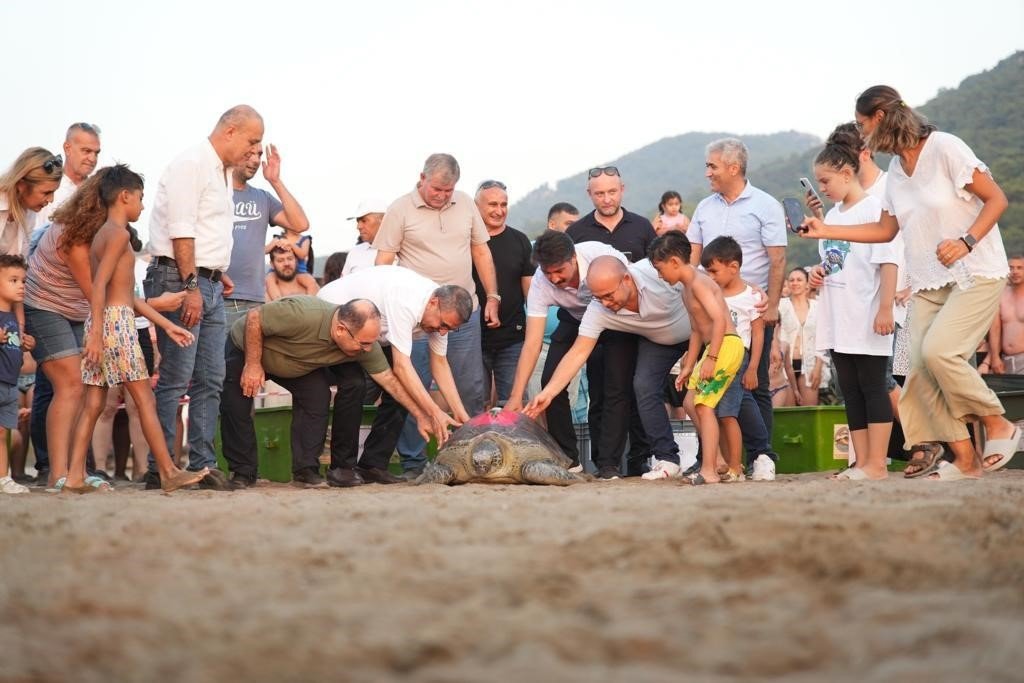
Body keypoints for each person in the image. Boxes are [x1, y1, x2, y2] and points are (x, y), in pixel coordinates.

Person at [801, 85, 1016, 480]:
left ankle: (997, 423)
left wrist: (966, 241)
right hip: (929, 282)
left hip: (974, 272)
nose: (861, 135)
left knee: (939, 353)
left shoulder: (945, 148)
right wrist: (825, 229)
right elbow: (885, 231)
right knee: (918, 373)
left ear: (881, 118)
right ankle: (965, 459)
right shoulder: (897, 172)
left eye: (863, 124)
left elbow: (997, 199)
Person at [64, 165, 206, 493]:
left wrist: (166, 324)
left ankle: (73, 477)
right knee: (144, 399)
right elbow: (99, 287)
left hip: (106, 321)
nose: (143, 205)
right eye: (141, 198)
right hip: (115, 325)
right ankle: (168, 471)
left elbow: (126, 295)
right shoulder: (118, 235)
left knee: (94, 405)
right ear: (124, 196)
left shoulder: (104, 234)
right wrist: (97, 335)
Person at [144, 104, 263, 490]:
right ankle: (159, 467)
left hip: (206, 281)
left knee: (212, 377)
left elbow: (206, 231)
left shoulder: (223, 172)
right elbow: (181, 231)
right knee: (176, 378)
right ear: (230, 131)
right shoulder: (191, 164)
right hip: (180, 280)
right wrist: (192, 285)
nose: (253, 150)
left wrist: (215, 270)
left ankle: (203, 464)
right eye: (251, 140)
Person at [220, 296, 439, 488]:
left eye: (370, 344)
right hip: (249, 349)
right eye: (363, 343)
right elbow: (255, 317)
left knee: (317, 396)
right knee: (236, 403)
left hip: (297, 364)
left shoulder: (365, 344)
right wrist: (252, 364)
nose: (367, 350)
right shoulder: (302, 314)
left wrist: (419, 415)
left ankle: (305, 470)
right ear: (341, 330)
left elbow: (390, 381)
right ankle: (243, 472)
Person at [372, 153, 497, 475]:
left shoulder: (466, 203)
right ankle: (414, 463)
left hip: (465, 312)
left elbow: (481, 251)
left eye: (448, 190)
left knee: (470, 386)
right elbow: (383, 262)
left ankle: (472, 458)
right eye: (437, 189)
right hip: (415, 315)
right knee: (413, 386)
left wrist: (493, 295)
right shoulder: (400, 209)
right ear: (422, 179)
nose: (442, 196)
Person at [524, 255, 691, 481]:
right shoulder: (598, 310)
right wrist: (549, 392)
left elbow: (699, 282)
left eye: (609, 295)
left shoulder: (656, 274)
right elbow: (578, 352)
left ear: (627, 279)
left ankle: (723, 458)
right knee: (643, 385)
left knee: (705, 395)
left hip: (698, 332)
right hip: (658, 342)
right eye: (598, 297)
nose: (605, 303)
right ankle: (667, 458)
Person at [320, 267, 472, 485]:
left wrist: (461, 416)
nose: (442, 332)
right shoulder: (406, 300)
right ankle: (341, 468)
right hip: (337, 318)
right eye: (443, 325)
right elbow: (401, 366)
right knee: (354, 384)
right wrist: (434, 412)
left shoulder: (438, 315)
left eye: (449, 329)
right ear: (433, 302)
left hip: (374, 335)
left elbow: (439, 364)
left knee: (403, 391)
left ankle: (372, 465)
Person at [803, 142, 898, 481]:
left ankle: (877, 463)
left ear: (846, 173)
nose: (822, 188)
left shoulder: (874, 209)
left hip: (866, 313)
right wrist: (818, 272)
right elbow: (835, 261)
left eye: (825, 181)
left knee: (873, 386)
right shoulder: (832, 216)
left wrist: (885, 308)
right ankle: (861, 462)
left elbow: (889, 262)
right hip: (838, 316)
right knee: (850, 390)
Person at [688, 138, 787, 454]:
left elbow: (777, 260)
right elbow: (693, 258)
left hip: (752, 308)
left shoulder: (766, 205)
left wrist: (772, 306)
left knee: (753, 384)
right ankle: (711, 457)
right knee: (710, 384)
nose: (707, 173)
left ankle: (761, 456)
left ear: (733, 168)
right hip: (710, 311)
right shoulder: (704, 207)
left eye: (712, 166)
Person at [505, 231, 628, 468]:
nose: (554, 278)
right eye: (547, 272)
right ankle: (568, 459)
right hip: (574, 319)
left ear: (573, 257)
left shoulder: (601, 256)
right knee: (549, 382)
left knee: (612, 386)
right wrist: (516, 396)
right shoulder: (540, 281)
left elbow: (630, 291)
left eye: (559, 271)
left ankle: (608, 464)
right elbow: (532, 342)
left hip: (614, 318)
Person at [567, 166, 659, 475]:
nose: (606, 199)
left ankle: (639, 458)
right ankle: (605, 462)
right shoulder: (577, 232)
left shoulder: (642, 227)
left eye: (612, 192)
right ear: (589, 194)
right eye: (599, 194)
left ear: (622, 189)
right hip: (595, 327)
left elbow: (658, 272)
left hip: (638, 326)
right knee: (600, 393)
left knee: (637, 390)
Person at [647, 232, 744, 485]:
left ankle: (709, 470)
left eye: (659, 269)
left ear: (674, 262)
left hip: (725, 346)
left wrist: (711, 357)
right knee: (690, 403)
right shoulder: (686, 290)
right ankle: (717, 460)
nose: (660, 275)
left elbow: (720, 319)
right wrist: (688, 365)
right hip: (713, 347)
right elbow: (696, 330)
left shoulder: (700, 283)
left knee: (703, 405)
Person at [697, 236, 770, 482]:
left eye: (714, 271)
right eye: (707, 272)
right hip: (715, 356)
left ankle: (741, 464)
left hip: (738, 357)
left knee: (729, 413)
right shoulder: (710, 293)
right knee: (719, 411)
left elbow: (758, 334)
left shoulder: (751, 296)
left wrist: (753, 368)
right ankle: (728, 462)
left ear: (734, 267)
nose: (710, 277)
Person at [224, 143, 310, 326]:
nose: (256, 160)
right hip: (218, 295)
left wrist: (275, 181)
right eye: (249, 154)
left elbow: (300, 224)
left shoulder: (263, 197)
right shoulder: (214, 193)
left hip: (255, 298)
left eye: (259, 154)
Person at [473, 180, 533, 406]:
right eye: (492, 204)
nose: (499, 211)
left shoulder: (520, 241)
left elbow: (531, 294)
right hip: (471, 339)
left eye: (504, 204)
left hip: (512, 339)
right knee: (474, 406)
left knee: (514, 406)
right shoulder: (464, 242)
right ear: (476, 206)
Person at [32, 123, 103, 229]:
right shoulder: (46, 187)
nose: (92, 159)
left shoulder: (100, 193)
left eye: (96, 153)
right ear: (67, 148)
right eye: (86, 151)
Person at [0, 255, 30, 494]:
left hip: (10, 384)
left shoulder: (13, 318)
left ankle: (3, 477)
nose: (21, 286)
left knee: (3, 434)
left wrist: (26, 344)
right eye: (13, 280)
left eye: (23, 281)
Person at [1, 147, 63, 259]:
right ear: (22, 185)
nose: (51, 199)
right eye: (46, 193)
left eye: (53, 192)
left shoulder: (30, 213)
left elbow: (20, 260)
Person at [778, 267, 824, 406]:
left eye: (799, 280)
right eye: (791, 280)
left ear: (807, 284)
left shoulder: (818, 307)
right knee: (789, 413)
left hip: (809, 365)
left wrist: (818, 367)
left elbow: (823, 339)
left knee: (809, 410)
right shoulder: (780, 306)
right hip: (784, 366)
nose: (795, 283)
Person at [984, 255, 1024, 375]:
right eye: (1011, 268)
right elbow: (995, 329)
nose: (1015, 271)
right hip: (1005, 360)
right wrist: (994, 358)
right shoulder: (1000, 295)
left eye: (1019, 268)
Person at [264, 226, 317, 299]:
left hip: (300, 270)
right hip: (275, 270)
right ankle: (278, 300)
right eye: (293, 223)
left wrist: (291, 244)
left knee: (311, 282)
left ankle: (310, 302)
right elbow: (264, 251)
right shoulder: (278, 238)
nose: (286, 263)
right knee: (269, 280)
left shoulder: (304, 239)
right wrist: (274, 243)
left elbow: (303, 255)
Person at [341, 199, 388, 276]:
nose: (358, 227)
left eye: (364, 221)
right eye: (357, 221)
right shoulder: (354, 253)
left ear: (383, 221)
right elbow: (343, 282)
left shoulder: (404, 251)